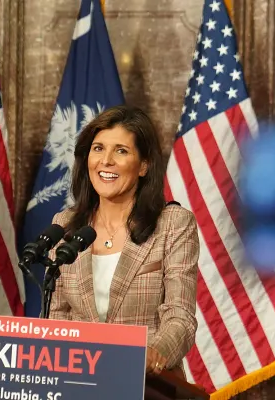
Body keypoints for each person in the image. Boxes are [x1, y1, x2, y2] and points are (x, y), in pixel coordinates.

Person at [49, 105, 199, 376]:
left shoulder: (172, 224)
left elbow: (181, 317)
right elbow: (58, 315)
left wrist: (154, 354)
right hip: (78, 381)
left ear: (144, 165)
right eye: (98, 148)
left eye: (121, 150)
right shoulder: (64, 225)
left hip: (149, 382)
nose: (106, 161)